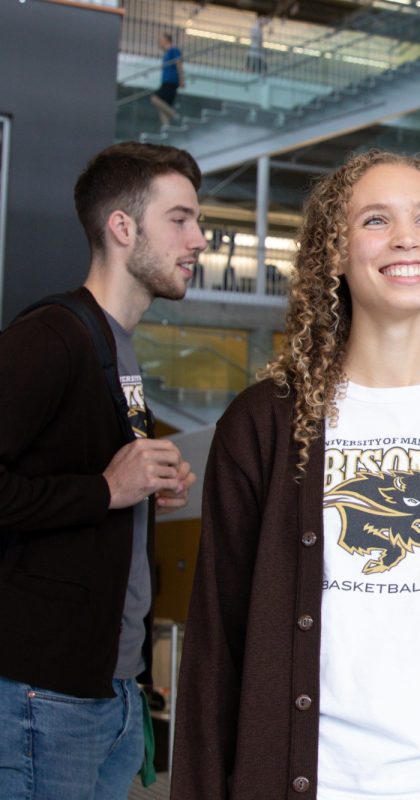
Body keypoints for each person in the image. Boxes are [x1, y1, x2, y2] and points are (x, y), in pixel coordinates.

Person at [171, 150, 420, 800]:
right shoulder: (263, 427)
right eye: (377, 220)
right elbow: (216, 649)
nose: (407, 237)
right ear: (334, 251)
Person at [0, 142, 203, 800]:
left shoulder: (123, 355)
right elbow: (96, 489)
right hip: (44, 697)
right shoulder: (52, 337)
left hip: (113, 694)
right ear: (123, 227)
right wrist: (107, 490)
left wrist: (146, 494)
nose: (197, 238)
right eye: (180, 219)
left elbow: (100, 492)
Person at [150, 32, 184, 127]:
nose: (159, 42)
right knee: (162, 108)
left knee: (155, 99)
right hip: (166, 81)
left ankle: (175, 115)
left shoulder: (174, 50)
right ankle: (166, 129)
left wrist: (181, 80)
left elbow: (179, 64)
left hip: (171, 82)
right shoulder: (167, 53)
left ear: (166, 40)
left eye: (160, 40)